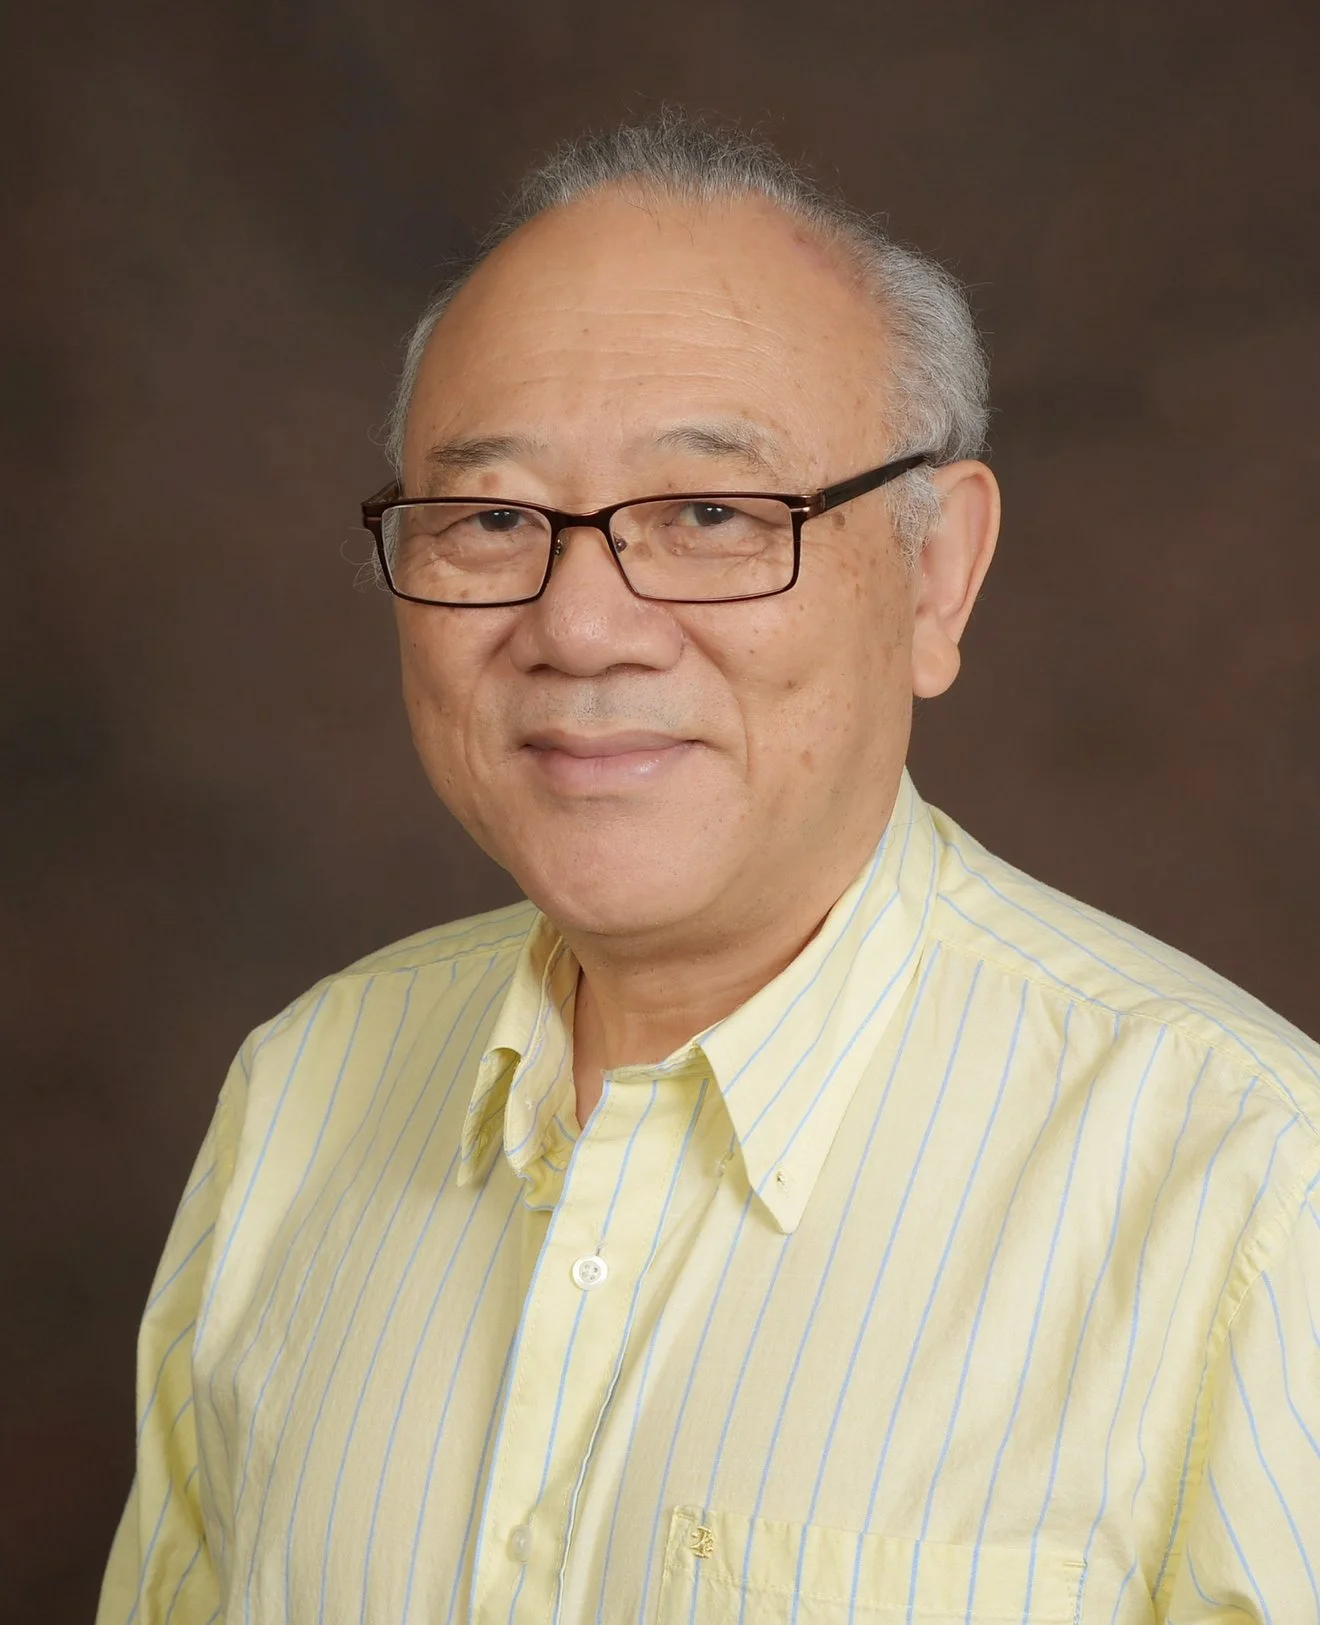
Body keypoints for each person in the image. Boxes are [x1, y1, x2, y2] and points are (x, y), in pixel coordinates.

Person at [98, 113, 1320, 1625]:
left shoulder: (1251, 1181)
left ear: (937, 574)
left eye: (713, 515)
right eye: (492, 518)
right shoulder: (300, 1095)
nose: (585, 628)